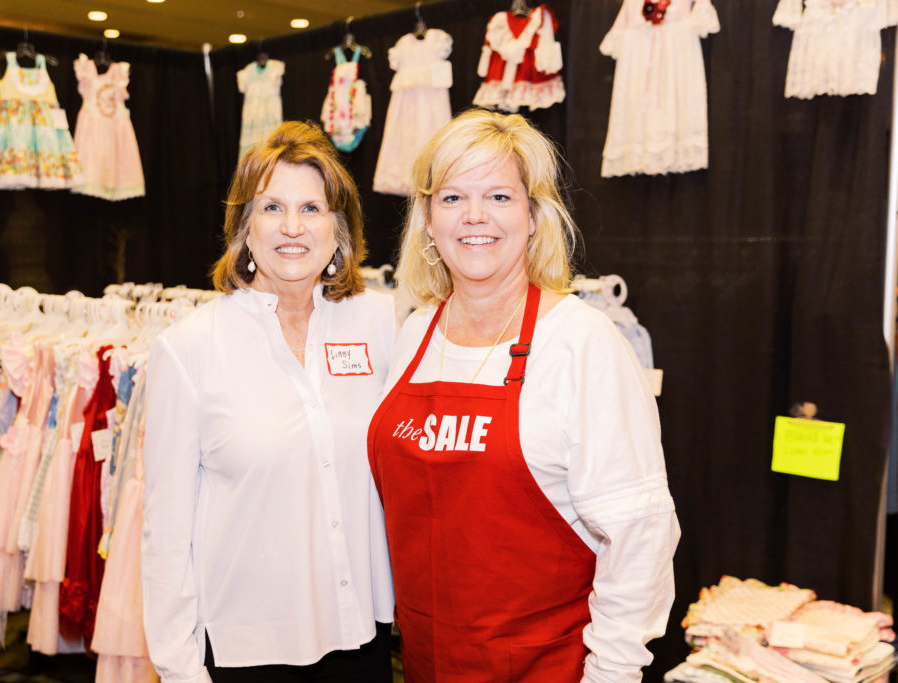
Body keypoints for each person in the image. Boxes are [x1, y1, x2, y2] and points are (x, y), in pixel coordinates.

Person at [367, 109, 681, 682]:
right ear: (428, 219)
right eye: (453, 197)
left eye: (500, 197)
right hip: (423, 663)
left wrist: (612, 674)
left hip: (546, 669)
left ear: (534, 215)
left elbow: (640, 534)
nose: (476, 217)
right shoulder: (415, 332)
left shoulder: (582, 342)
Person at [142, 120, 396, 683]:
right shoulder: (188, 348)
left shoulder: (381, 323)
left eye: (311, 209)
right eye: (272, 207)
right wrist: (179, 668)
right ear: (244, 228)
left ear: (338, 229)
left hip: (362, 640)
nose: (292, 227)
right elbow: (165, 531)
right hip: (246, 650)